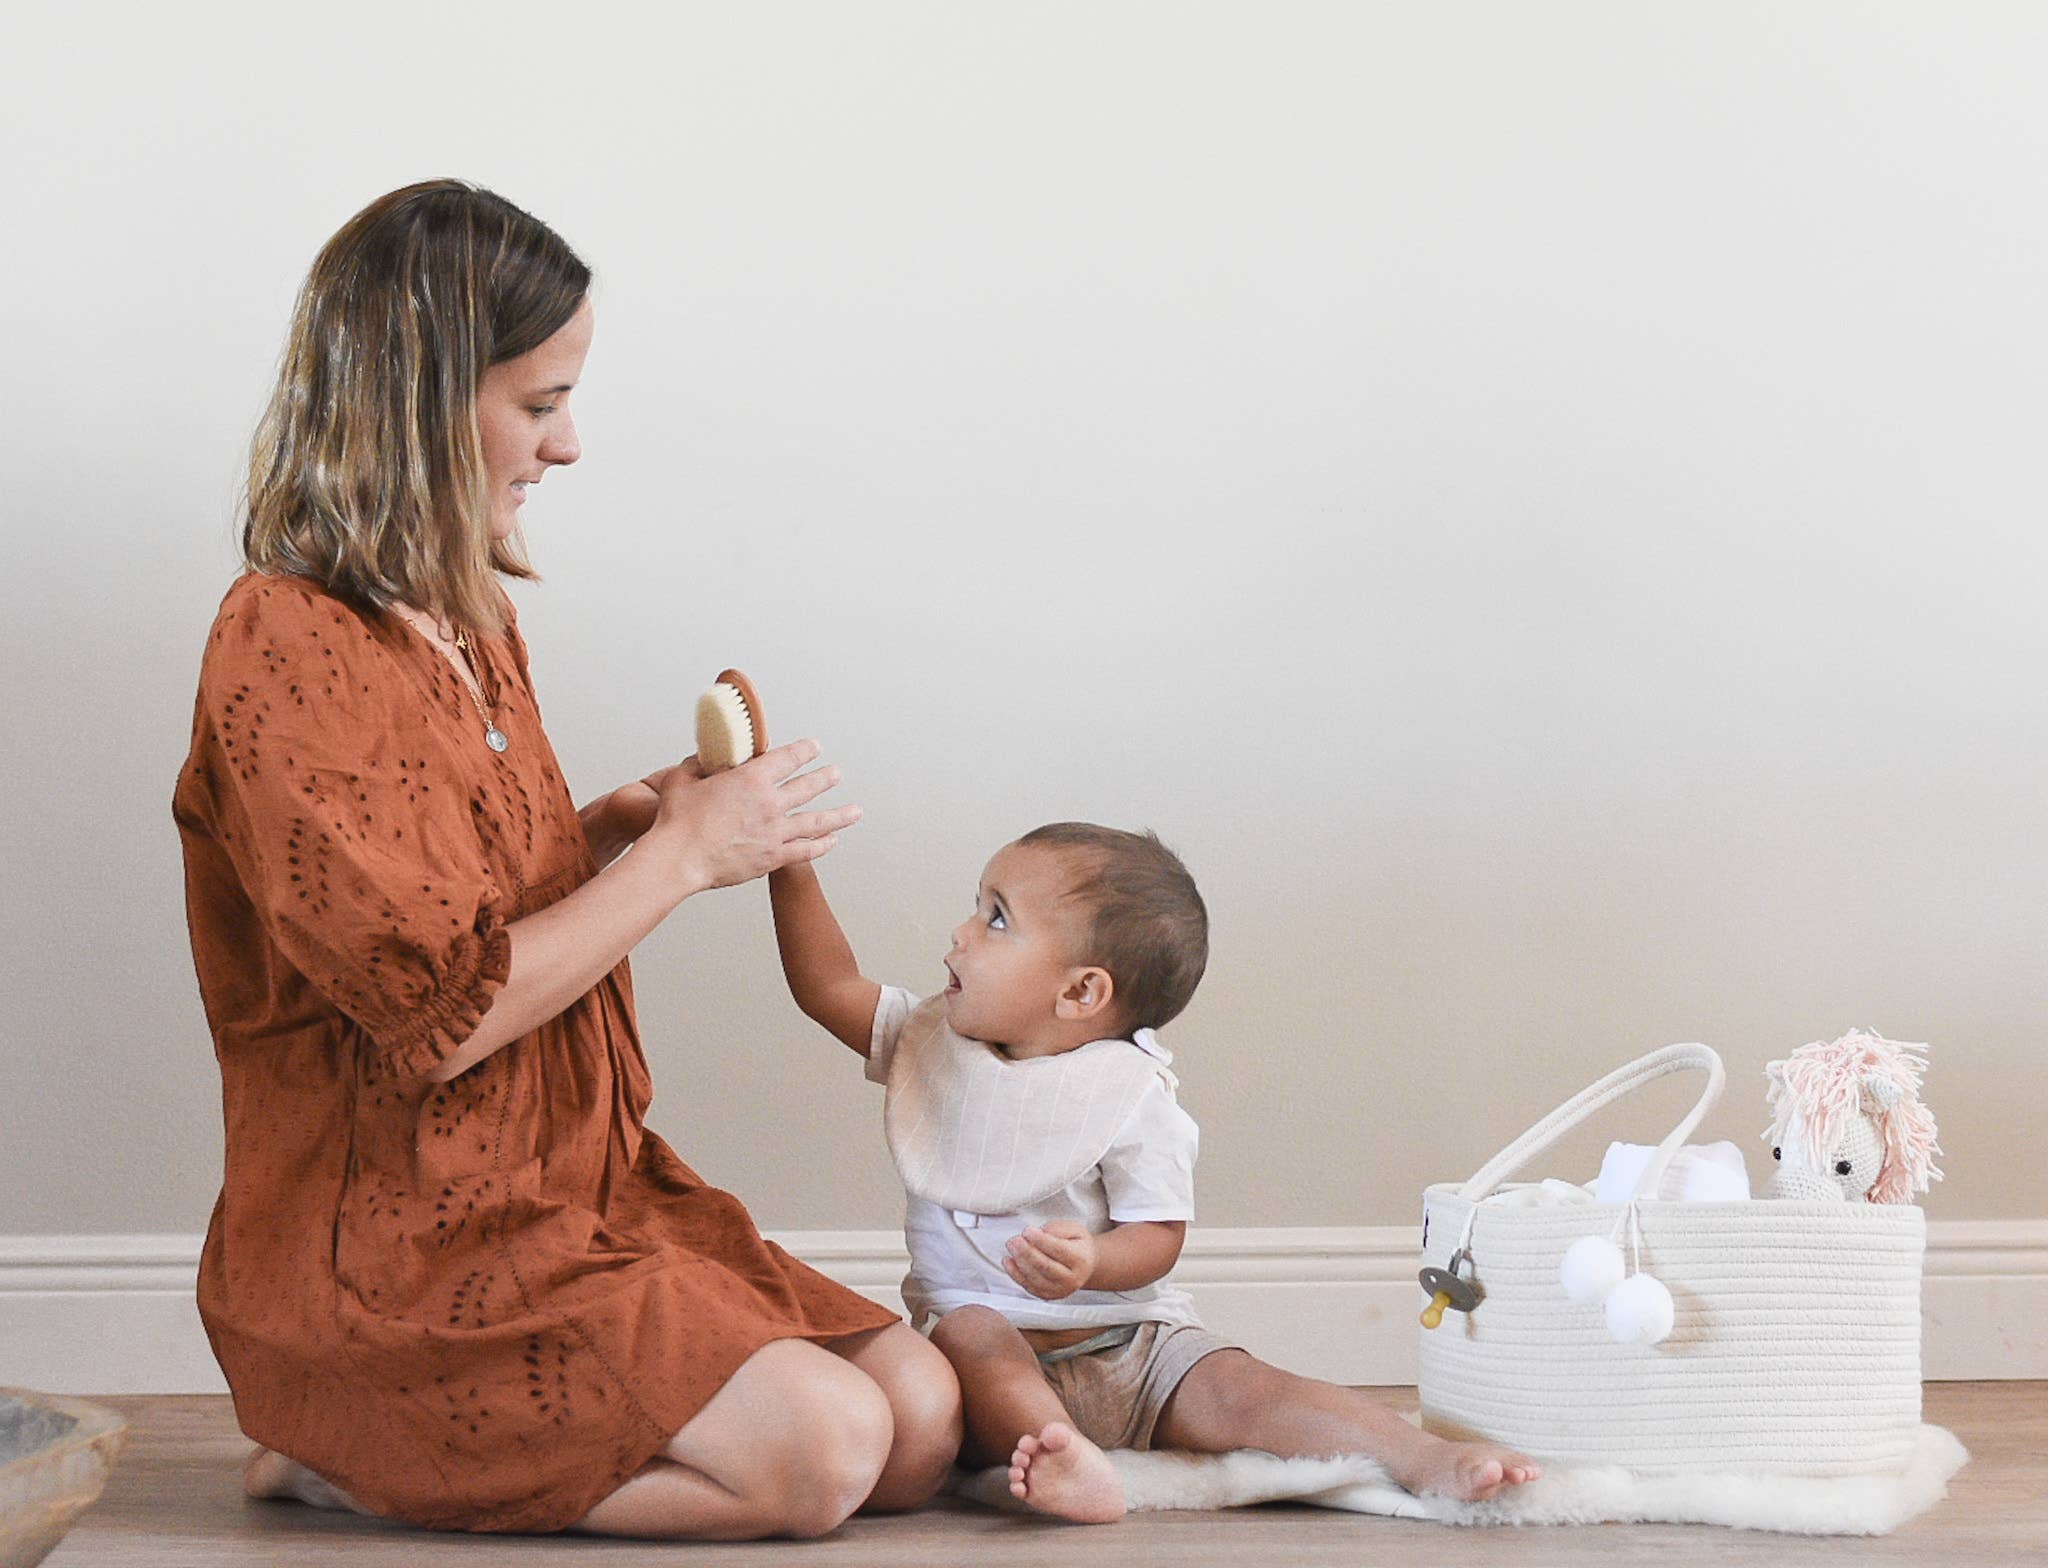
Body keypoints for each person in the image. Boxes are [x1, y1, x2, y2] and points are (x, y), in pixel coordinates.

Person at [171, 179, 961, 1540]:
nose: (570, 443)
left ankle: (393, 1453)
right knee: (823, 1455)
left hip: (570, 1191)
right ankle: (348, 1440)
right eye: (540, 404)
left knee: (923, 1417)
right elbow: (436, 1019)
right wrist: (682, 863)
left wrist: (619, 829)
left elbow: (460, 899)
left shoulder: (467, 621)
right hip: (409, 1245)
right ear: (420, 402)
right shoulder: (285, 639)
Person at [769, 821, 1543, 1524]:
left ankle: (1420, 1457)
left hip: (1132, 1346)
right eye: (977, 907)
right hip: (989, 1366)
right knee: (972, 1332)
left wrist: (1093, 1262)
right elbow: (827, 987)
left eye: (996, 917)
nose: (962, 931)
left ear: (1081, 991)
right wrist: (790, 867)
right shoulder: (933, 1046)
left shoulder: (1131, 1095)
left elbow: (1159, 1236)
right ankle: (1069, 1457)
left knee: (1246, 1389)